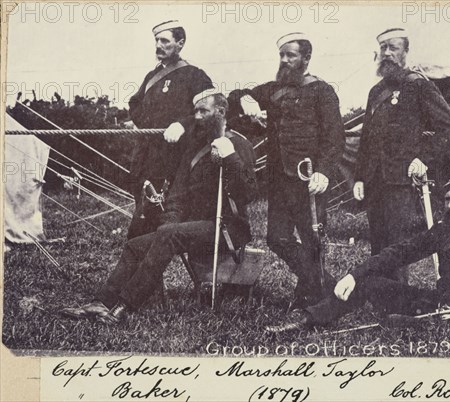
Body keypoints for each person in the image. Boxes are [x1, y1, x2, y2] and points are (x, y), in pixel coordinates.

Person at [267, 174, 450, 333]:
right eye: (447, 201)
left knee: (393, 324)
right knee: (369, 284)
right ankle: (309, 319)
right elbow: (400, 252)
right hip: (437, 304)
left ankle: (399, 322)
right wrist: (355, 274)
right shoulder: (443, 232)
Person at [60, 92, 257, 324]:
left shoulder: (239, 144)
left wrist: (231, 157)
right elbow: (178, 195)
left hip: (228, 229)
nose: (197, 116)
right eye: (195, 111)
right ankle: (101, 302)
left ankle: (123, 307)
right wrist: (168, 224)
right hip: (194, 228)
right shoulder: (195, 149)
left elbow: (248, 194)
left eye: (204, 111)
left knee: (169, 234)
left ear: (221, 112)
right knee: (135, 245)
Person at [228, 33, 345, 308]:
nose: (284, 60)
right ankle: (329, 286)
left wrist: (324, 172)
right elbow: (232, 97)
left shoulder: (322, 91)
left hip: (310, 179)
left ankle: (311, 296)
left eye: (290, 55)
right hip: (279, 180)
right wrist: (246, 99)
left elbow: (335, 137)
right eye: (281, 55)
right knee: (277, 238)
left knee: (312, 239)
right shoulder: (272, 90)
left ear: (306, 58)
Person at [352, 28, 450, 285]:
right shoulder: (375, 92)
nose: (387, 54)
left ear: (406, 52)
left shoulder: (419, 85)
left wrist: (424, 158)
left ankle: (398, 301)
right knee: (377, 242)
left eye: (394, 48)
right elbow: (366, 139)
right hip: (375, 181)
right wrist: (359, 177)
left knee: (397, 245)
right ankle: (381, 296)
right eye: (384, 48)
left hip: (401, 181)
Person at [126, 20, 214, 239]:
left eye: (165, 40)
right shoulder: (150, 77)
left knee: (150, 228)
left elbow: (212, 111)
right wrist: (148, 128)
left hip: (175, 162)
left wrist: (182, 124)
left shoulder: (194, 75)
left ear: (180, 43)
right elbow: (134, 104)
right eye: (156, 40)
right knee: (144, 225)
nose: (158, 45)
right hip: (146, 160)